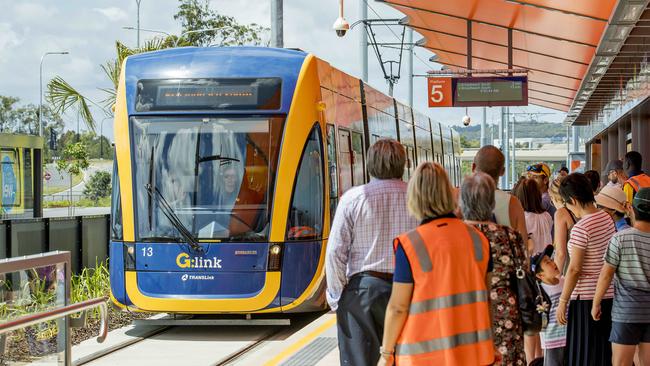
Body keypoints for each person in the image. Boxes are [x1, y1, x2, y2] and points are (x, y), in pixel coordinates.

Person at [378, 163, 494, 366]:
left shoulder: (410, 244)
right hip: (476, 355)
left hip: (423, 357)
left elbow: (398, 307)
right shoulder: (479, 241)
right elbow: (486, 299)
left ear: (415, 196)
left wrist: (386, 354)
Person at [326, 139, 418, 366]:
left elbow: (336, 253)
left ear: (369, 164)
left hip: (363, 292)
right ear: (403, 164)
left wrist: (339, 299)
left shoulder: (352, 199)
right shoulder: (417, 198)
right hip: (409, 291)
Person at [460, 172, 527, 366]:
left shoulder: (455, 235)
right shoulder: (509, 236)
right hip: (505, 313)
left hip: (465, 313)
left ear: (463, 201)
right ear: (490, 202)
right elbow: (523, 271)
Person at [556, 173, 616, 366]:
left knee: (583, 354)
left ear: (572, 200)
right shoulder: (606, 218)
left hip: (585, 300)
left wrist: (563, 301)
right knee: (603, 354)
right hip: (608, 295)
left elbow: (574, 269)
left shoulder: (581, 228)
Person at [592, 187, 650, 366]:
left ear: (631, 209)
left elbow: (606, 274)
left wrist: (596, 303)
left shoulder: (620, 238)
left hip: (626, 312)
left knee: (620, 363)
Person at [472, 145, 528, 238]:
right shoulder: (512, 203)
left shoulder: (458, 199)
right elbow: (524, 244)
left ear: (473, 167)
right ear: (503, 171)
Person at [532, 245, 567, 366]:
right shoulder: (539, 292)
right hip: (552, 339)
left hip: (570, 336)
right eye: (547, 263)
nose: (553, 263)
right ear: (539, 275)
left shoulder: (565, 282)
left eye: (551, 260)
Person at [513, 177, 553, 255]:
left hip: (532, 261)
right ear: (538, 195)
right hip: (546, 259)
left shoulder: (522, 217)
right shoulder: (547, 216)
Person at [548, 177, 577, 274]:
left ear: (554, 198)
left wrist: (555, 277)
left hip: (569, 269)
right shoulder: (578, 209)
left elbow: (560, 254)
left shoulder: (561, 213)